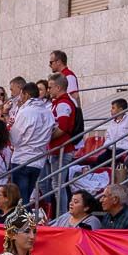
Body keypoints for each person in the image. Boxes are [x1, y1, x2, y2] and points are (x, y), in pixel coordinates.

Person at [7, 82, 55, 208]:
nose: (20, 98)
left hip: (22, 159)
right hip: (38, 161)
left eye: (21, 95)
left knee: (20, 199)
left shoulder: (25, 112)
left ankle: (21, 225)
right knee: (27, 197)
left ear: (26, 95)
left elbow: (15, 139)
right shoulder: (48, 112)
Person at [44, 73, 80, 210]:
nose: (49, 90)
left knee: (58, 185)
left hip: (61, 150)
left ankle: (62, 215)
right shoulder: (58, 103)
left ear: (58, 87)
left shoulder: (63, 103)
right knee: (55, 184)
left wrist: (46, 138)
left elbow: (63, 128)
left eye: (50, 87)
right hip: (57, 149)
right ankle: (60, 214)